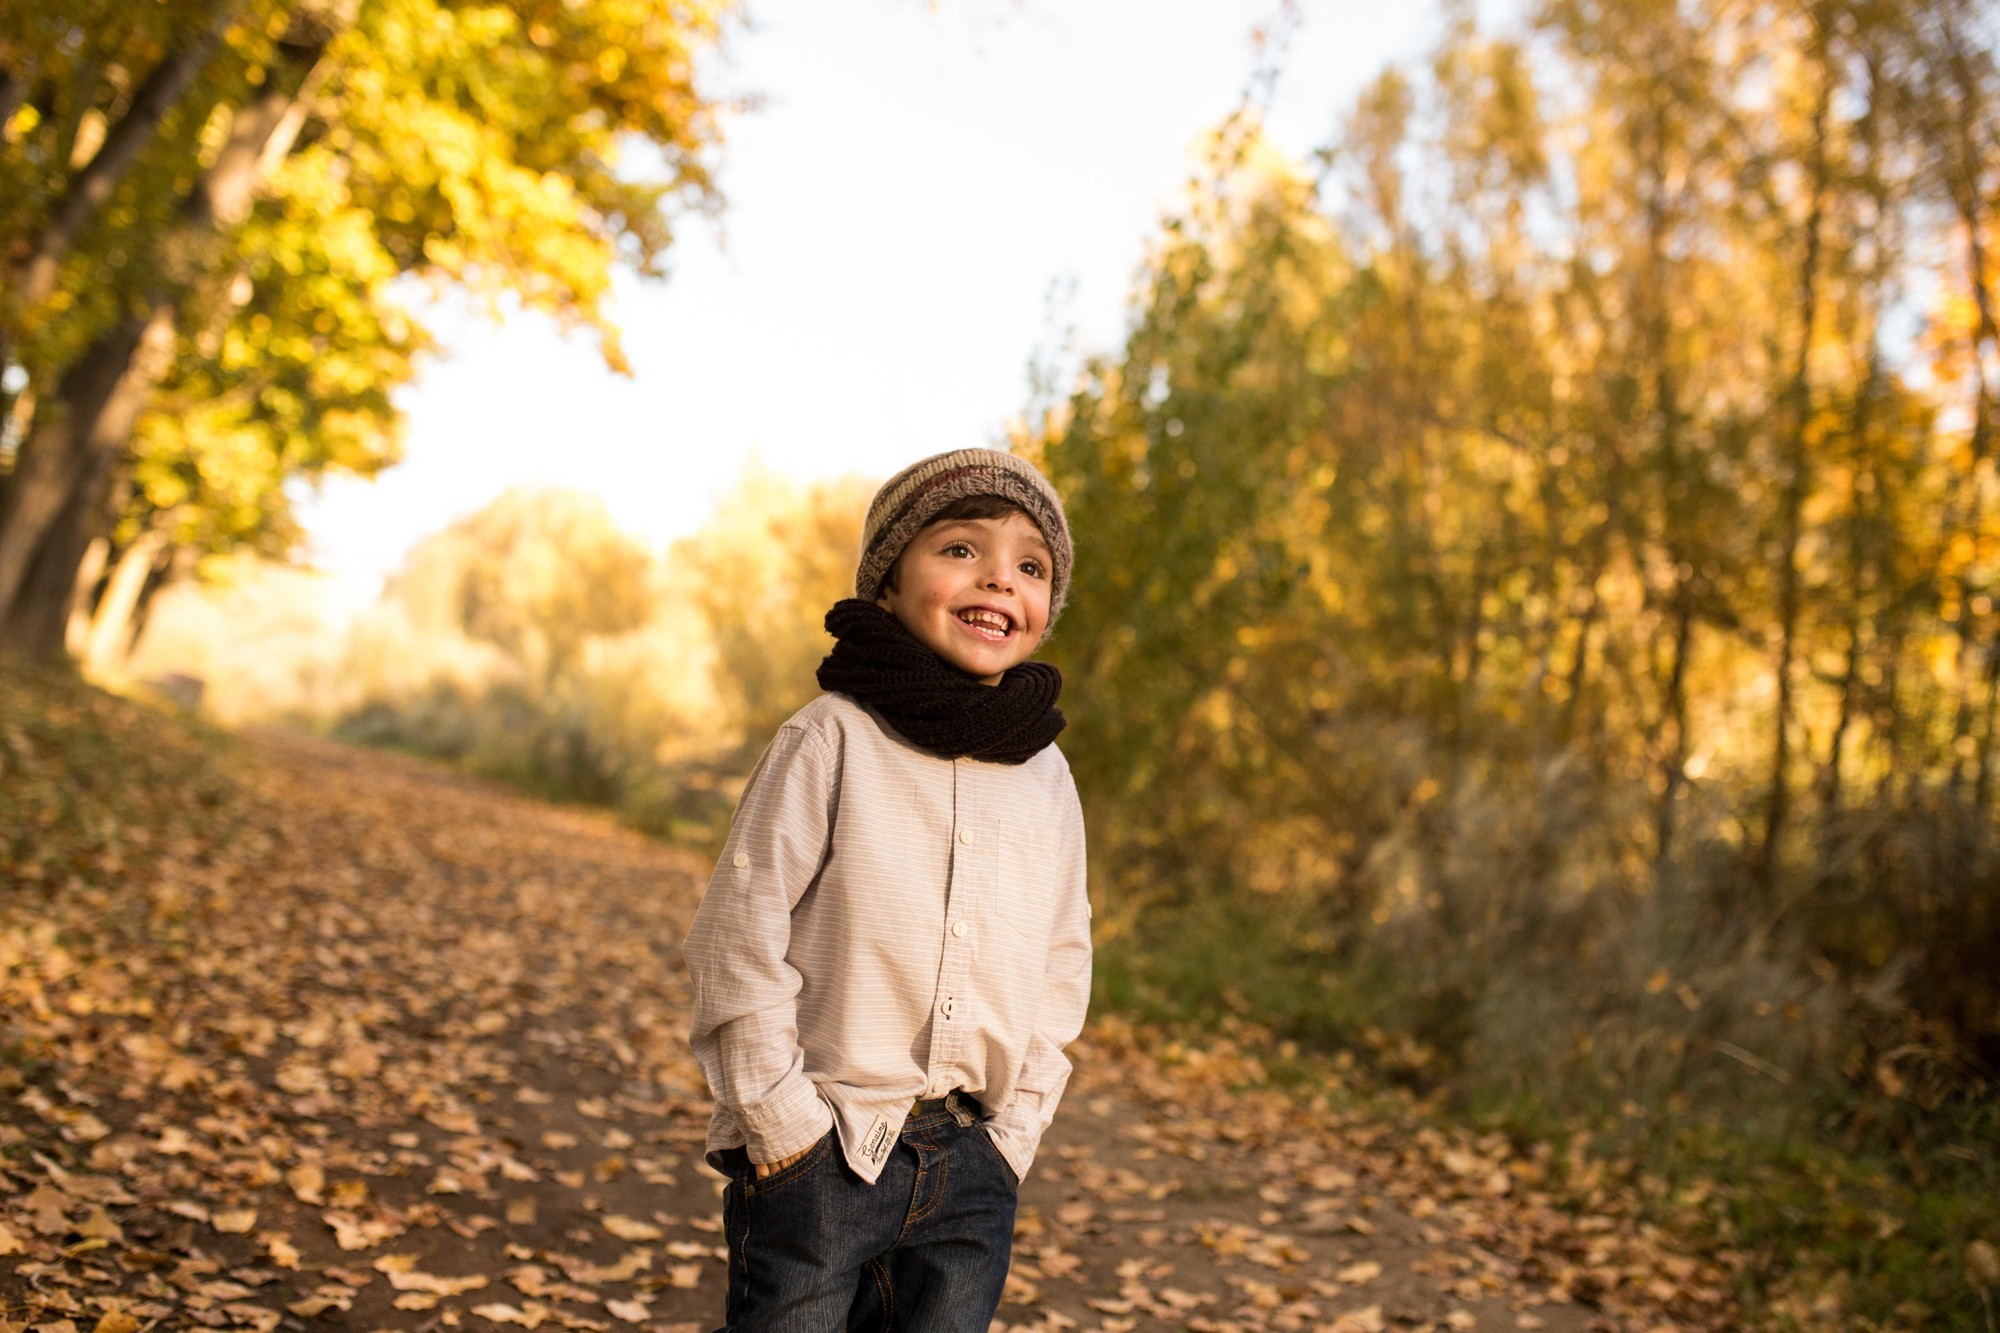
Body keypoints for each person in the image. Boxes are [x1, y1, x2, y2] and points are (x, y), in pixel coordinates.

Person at [682, 447, 1092, 1333]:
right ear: (888, 581)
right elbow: (737, 939)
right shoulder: (832, 736)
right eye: (960, 550)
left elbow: (1063, 960)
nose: (999, 578)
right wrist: (783, 1125)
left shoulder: (1045, 772)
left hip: (972, 1162)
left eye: (1030, 565)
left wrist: (1012, 1134)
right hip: (822, 1147)